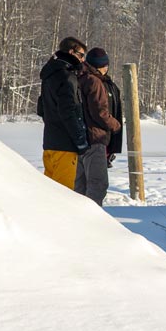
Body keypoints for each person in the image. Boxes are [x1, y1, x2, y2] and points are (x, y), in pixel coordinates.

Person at [37, 36, 90, 189]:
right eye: (81, 55)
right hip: (65, 146)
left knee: (50, 191)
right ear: (71, 52)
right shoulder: (67, 77)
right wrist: (80, 139)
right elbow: (68, 111)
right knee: (63, 193)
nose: (82, 60)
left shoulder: (49, 75)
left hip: (49, 143)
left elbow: (41, 108)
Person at [74, 47, 122, 206]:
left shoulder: (78, 77)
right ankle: (93, 218)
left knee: (79, 186)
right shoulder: (94, 82)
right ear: (102, 66)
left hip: (79, 139)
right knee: (97, 185)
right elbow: (100, 112)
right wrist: (115, 125)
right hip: (95, 138)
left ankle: (78, 216)